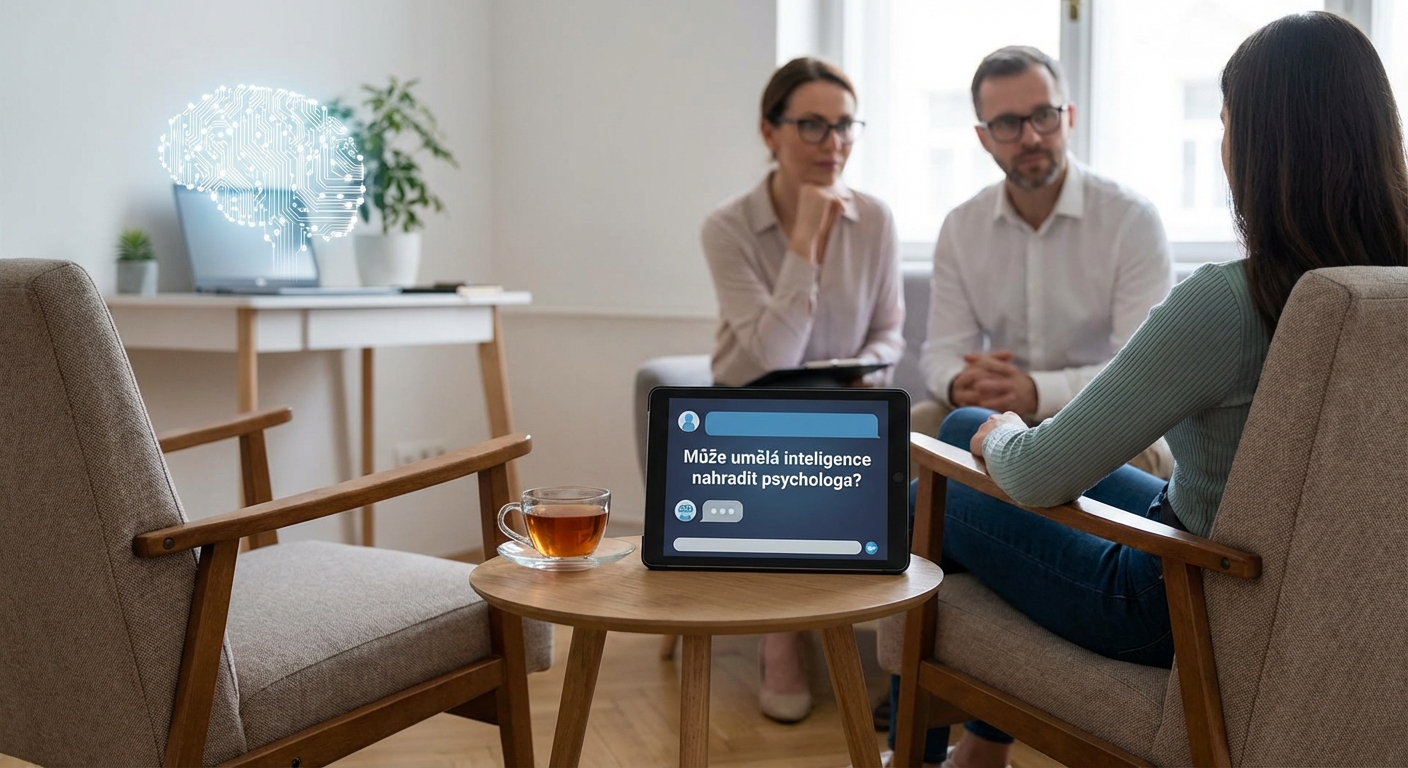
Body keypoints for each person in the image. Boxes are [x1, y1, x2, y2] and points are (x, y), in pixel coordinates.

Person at [903, 12, 1408, 768]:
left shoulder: (1230, 301)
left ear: (1261, 146)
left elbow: (1035, 473)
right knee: (962, 420)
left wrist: (996, 437)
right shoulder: (1385, 292)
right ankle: (974, 749)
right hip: (1307, 590)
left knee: (939, 482)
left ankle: (924, 747)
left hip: (1169, 599)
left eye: (1226, 122)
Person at [701, 57, 905, 723]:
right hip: (747, 408)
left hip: (845, 405)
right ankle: (784, 632)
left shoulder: (875, 220)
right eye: (812, 127)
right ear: (770, 132)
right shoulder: (727, 227)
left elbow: (890, 333)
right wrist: (807, 240)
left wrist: (864, 368)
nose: (833, 145)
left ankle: (861, 630)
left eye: (844, 126)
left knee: (852, 432)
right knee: (796, 432)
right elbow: (769, 356)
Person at [916, 45, 1175, 478]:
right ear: (983, 137)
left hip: (1102, 417)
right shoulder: (962, 227)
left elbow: (1144, 374)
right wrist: (960, 382)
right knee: (915, 428)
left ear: (1069, 117)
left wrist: (1035, 392)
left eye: (1044, 115)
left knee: (1143, 453)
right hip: (994, 415)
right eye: (1007, 124)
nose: (1031, 137)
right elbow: (941, 353)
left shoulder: (1131, 219)